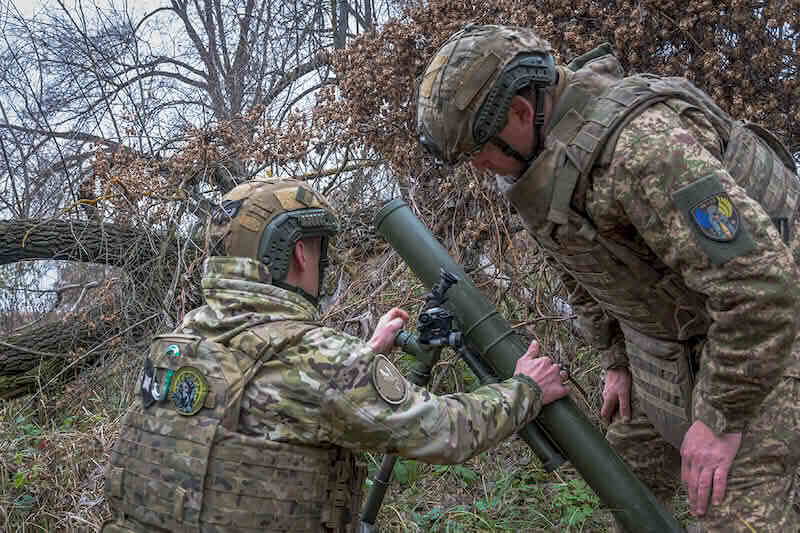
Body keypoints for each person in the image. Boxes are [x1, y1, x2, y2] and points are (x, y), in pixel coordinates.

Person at [416, 23, 800, 533]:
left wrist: (720, 418)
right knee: (627, 484)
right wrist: (616, 361)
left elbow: (763, 286)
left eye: (479, 149)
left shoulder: (644, 151)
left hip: (768, 330)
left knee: (731, 511)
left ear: (521, 112)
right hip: (679, 332)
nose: (481, 167)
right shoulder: (540, 164)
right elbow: (580, 269)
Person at [100, 178, 569, 533]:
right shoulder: (317, 360)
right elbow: (444, 431)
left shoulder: (182, 340)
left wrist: (361, 358)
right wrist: (526, 389)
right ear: (301, 253)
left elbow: (264, 405)